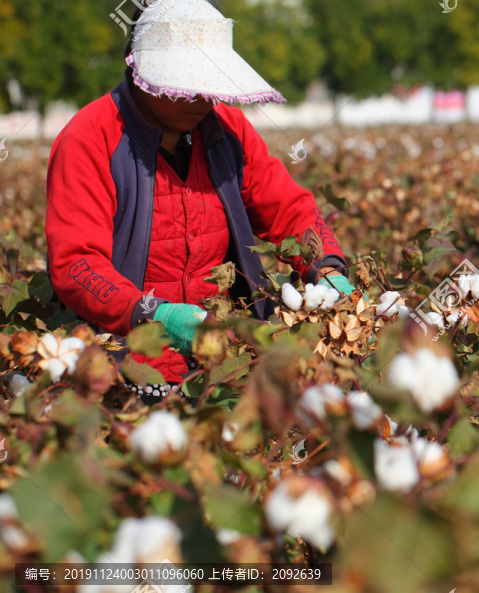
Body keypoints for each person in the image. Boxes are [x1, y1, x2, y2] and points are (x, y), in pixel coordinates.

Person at [45, 0, 355, 403]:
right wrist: (152, 313)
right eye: (187, 86)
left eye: (208, 84)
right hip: (128, 360)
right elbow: (76, 263)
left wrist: (326, 266)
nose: (203, 99)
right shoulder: (90, 138)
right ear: (143, 76)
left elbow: (287, 210)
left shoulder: (228, 130)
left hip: (229, 357)